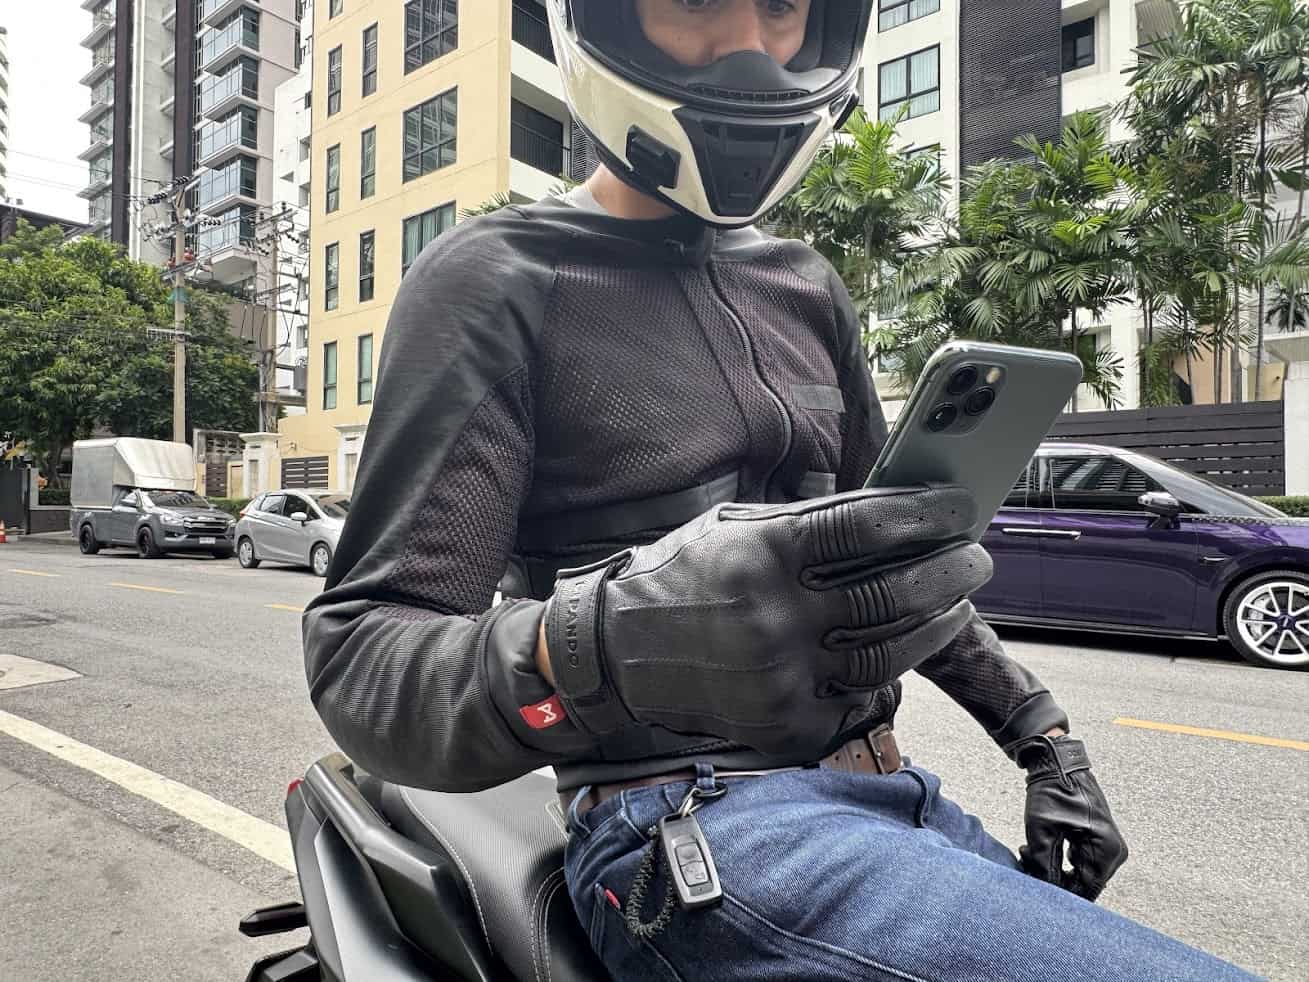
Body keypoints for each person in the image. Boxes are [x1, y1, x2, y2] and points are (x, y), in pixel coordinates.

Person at [303, 2, 1256, 979]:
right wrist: (608, 639)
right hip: (683, 824)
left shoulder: (804, 283)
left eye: (783, 7)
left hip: (889, 795)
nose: (751, 55)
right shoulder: (498, 276)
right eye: (697, 1)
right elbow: (365, 658)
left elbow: (897, 563)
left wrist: (1042, 736)